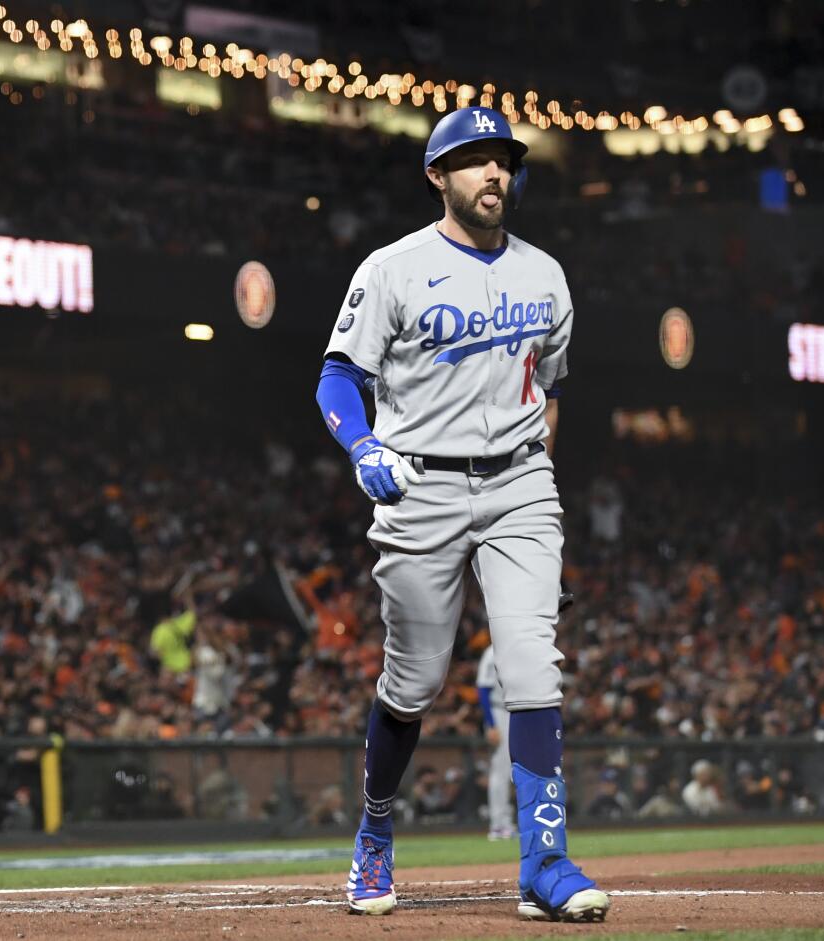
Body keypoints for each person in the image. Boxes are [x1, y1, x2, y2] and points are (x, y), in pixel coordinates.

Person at [315, 106, 609, 923]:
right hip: (420, 487)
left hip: (519, 482)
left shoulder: (546, 275)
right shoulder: (393, 268)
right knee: (412, 682)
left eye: (503, 161)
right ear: (437, 176)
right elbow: (337, 376)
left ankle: (543, 863)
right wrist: (362, 445)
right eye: (474, 160)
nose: (494, 174)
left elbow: (547, 391)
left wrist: (543, 509)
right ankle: (375, 829)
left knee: (530, 665)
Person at [476, 643, 515, 840]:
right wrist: (491, 724)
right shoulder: (492, 652)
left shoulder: (516, 648)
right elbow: (483, 689)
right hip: (498, 712)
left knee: (512, 771)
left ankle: (507, 822)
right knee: (501, 770)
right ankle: (498, 825)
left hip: (516, 711)